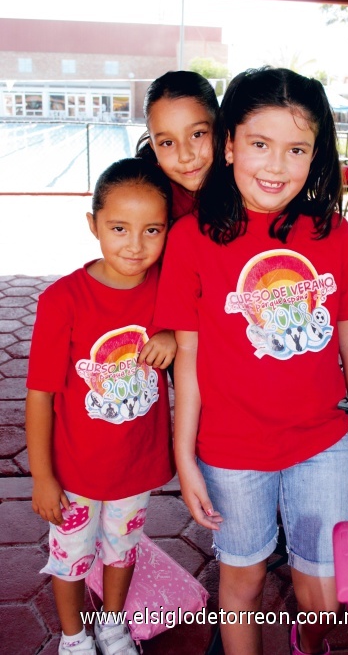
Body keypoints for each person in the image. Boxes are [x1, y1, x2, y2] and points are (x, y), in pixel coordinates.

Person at [154, 67, 348, 655]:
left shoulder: (331, 233)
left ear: (316, 156)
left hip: (321, 444)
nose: (276, 166)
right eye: (260, 144)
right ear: (230, 143)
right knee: (242, 581)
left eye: (296, 149)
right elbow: (187, 357)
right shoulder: (191, 239)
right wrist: (185, 459)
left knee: (321, 590)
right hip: (233, 455)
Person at [26, 158, 176, 655]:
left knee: (122, 551)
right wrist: (43, 476)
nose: (135, 245)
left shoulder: (165, 292)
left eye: (151, 229)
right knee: (69, 558)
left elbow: (192, 338)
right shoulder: (61, 300)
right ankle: (73, 638)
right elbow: (41, 395)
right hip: (74, 473)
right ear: (93, 224)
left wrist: (172, 336)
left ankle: (111, 625)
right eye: (119, 228)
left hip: (135, 465)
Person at [136, 70, 219, 221]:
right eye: (167, 143)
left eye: (197, 134)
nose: (185, 156)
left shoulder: (247, 184)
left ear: (220, 129)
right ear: (153, 148)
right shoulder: (146, 195)